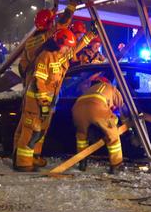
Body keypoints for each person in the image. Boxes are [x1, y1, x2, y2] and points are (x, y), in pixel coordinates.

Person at [14, 27, 96, 171]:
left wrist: (90, 35)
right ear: (58, 43)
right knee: (31, 131)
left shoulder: (60, 55)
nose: (68, 50)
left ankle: (35, 157)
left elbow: (75, 48)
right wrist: (44, 104)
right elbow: (39, 82)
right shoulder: (45, 57)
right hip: (36, 102)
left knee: (41, 131)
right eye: (66, 47)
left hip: (49, 102)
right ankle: (23, 162)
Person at [17, 0, 81, 88]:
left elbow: (22, 66)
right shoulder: (47, 36)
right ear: (50, 23)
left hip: (30, 83)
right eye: (52, 21)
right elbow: (64, 21)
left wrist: (55, 8)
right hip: (45, 84)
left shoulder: (29, 41)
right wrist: (74, 1)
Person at [71, 73, 125, 173]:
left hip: (77, 108)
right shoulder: (111, 88)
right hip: (97, 108)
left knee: (81, 136)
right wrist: (117, 121)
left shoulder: (89, 90)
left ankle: (82, 163)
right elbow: (120, 105)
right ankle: (116, 165)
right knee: (113, 136)